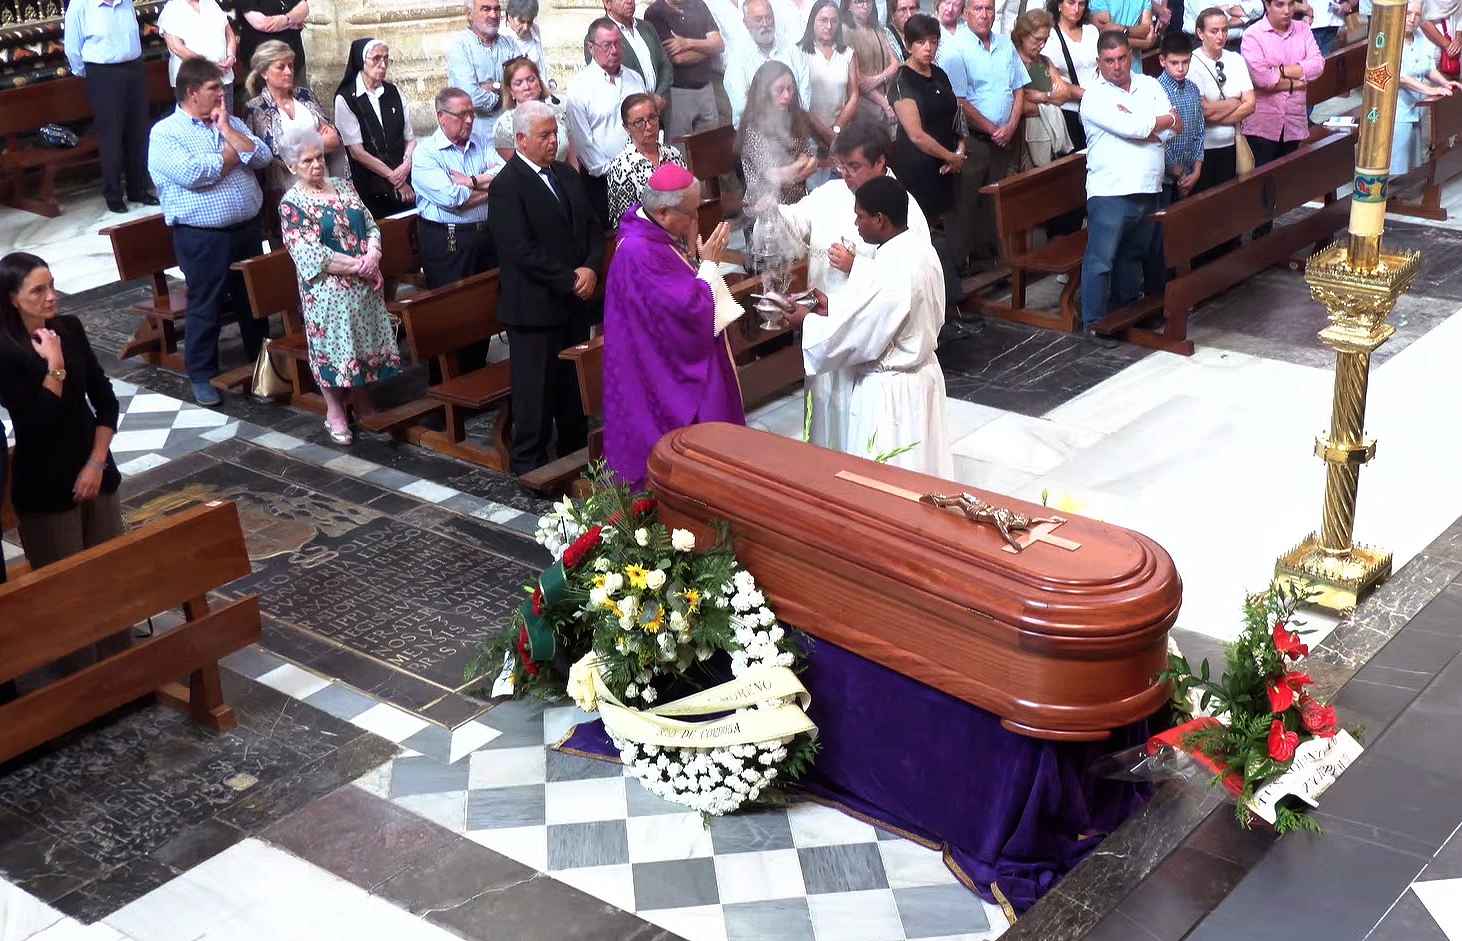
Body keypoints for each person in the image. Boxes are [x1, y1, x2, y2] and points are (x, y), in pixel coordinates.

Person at [0, 253, 130, 670]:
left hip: (95, 470)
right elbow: (37, 421)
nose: (51, 296)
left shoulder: (69, 328)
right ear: (12, 299)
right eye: (38, 290)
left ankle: (126, 672)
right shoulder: (5, 351)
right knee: (68, 593)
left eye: (52, 285)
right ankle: (81, 687)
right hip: (46, 482)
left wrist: (96, 463)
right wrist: (53, 366)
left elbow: (105, 400)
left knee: (112, 579)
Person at [774, 121, 930, 453]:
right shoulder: (831, 193)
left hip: (867, 353)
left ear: (880, 163)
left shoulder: (906, 212)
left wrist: (855, 266)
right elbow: (795, 222)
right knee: (828, 437)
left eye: (855, 167)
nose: (846, 175)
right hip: (833, 340)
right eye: (842, 166)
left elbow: (905, 287)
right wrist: (770, 213)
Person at [782, 177, 952, 475]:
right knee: (924, 469)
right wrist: (832, 308)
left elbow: (858, 336)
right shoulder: (921, 251)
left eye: (860, 216)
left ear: (880, 220)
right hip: (922, 378)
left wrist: (806, 321)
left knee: (890, 483)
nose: (856, 223)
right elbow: (887, 316)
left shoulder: (891, 267)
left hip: (892, 396)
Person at [603, 165, 743, 488]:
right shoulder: (639, 251)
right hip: (657, 373)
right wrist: (708, 264)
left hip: (659, 356)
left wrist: (699, 261)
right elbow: (688, 312)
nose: (695, 220)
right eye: (691, 213)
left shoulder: (654, 235)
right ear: (664, 212)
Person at [488, 100, 604, 474]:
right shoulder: (507, 186)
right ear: (521, 140)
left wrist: (590, 267)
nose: (554, 141)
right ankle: (529, 463)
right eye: (545, 135)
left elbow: (591, 227)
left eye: (555, 133)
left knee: (572, 384)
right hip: (534, 307)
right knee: (534, 391)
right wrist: (569, 279)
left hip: (572, 302)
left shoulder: (566, 176)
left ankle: (573, 453)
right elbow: (520, 249)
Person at [148, 58, 273, 406]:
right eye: (214, 88)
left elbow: (261, 155)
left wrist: (229, 135)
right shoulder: (165, 134)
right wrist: (233, 156)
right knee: (207, 304)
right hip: (202, 236)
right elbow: (194, 174)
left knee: (254, 301)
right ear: (192, 92)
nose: (222, 94)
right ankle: (201, 374)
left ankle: (263, 365)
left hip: (245, 229)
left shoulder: (228, 121)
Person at [276, 128, 403, 445]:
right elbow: (309, 253)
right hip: (328, 292)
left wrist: (373, 254)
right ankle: (334, 409)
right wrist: (357, 266)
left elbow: (370, 223)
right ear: (292, 167)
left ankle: (362, 399)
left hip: (363, 283)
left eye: (319, 157)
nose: (317, 165)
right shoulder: (292, 204)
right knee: (336, 351)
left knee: (363, 345)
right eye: (307, 161)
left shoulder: (344, 186)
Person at [1078, 31, 1174, 332]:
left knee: (1133, 255)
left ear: (1131, 55)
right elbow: (1135, 127)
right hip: (1110, 191)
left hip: (1149, 185)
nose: (1117, 66)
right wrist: (1153, 122)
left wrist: (1150, 124)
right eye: (1109, 61)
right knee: (1101, 261)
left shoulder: (1149, 83)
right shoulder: (1094, 96)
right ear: (1099, 62)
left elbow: (1173, 127)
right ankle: (1093, 322)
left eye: (1122, 58)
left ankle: (1128, 313)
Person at [946, 0, 1028, 272]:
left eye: (989, 9)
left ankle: (994, 261)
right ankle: (963, 267)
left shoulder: (1005, 44)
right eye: (978, 9)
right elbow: (960, 100)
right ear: (966, 13)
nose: (984, 14)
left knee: (996, 205)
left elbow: (1018, 89)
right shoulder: (956, 48)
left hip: (1006, 137)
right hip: (975, 139)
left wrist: (1012, 124)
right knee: (968, 203)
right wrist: (992, 129)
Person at [889, 13, 966, 303]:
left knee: (948, 231)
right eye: (921, 42)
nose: (928, 48)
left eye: (933, 42)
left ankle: (952, 298)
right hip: (919, 167)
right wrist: (951, 156)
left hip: (948, 165)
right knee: (926, 235)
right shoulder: (901, 80)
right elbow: (916, 134)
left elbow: (957, 112)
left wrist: (961, 149)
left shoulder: (940, 74)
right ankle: (935, 302)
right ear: (909, 45)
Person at [243, 40, 346, 243]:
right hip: (286, 189)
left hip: (323, 181)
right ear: (264, 72)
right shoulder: (256, 108)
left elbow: (335, 138)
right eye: (281, 67)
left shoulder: (305, 96)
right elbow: (274, 153)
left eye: (290, 65)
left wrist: (299, 147)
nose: (289, 72)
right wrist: (317, 141)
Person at [63, 0, 155, 213]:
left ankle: (138, 189)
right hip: (103, 73)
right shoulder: (80, 5)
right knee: (111, 136)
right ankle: (114, 195)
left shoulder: (126, 3)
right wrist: (88, 73)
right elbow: (72, 47)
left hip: (134, 69)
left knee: (138, 131)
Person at [411, 87, 502, 291]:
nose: (470, 120)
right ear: (441, 117)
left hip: (488, 236)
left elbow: (507, 174)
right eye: (462, 115)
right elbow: (453, 200)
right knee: (457, 307)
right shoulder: (426, 154)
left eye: (472, 113)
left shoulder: (481, 141)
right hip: (449, 243)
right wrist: (492, 187)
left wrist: (472, 181)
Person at [567, 17, 652, 225]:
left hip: (642, 173)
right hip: (604, 180)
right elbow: (582, 141)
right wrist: (615, 170)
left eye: (617, 43)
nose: (614, 50)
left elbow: (647, 122)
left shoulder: (635, 79)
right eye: (607, 45)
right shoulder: (580, 88)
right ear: (591, 47)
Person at [334, 38, 418, 219]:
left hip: (403, 175)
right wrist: (394, 177)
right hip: (371, 183)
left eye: (386, 58)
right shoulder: (346, 98)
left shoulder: (393, 92)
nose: (382, 65)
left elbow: (410, 139)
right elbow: (357, 152)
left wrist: (406, 164)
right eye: (376, 59)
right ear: (361, 61)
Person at [1240, 0, 1323, 169]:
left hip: (1294, 120)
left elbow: (1318, 65)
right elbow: (1263, 80)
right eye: (1280, 4)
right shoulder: (1253, 35)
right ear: (1267, 5)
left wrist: (1281, 70)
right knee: (1261, 185)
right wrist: (1296, 83)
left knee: (1290, 182)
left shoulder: (1303, 29)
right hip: (1262, 124)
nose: (1287, 10)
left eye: (1291, 4)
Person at [1188, 6, 1256, 194]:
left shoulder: (1235, 59)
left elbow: (1250, 104)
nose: (1221, 36)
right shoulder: (1192, 64)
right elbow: (1203, 112)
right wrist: (1235, 103)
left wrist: (1217, 111)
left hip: (1233, 144)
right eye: (1214, 31)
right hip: (1203, 151)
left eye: (1224, 30)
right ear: (1200, 33)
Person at [738, 60, 821, 210]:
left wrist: (792, 174)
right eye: (780, 90)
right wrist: (800, 165)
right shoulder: (753, 128)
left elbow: (812, 162)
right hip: (765, 209)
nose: (787, 95)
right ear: (764, 92)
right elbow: (774, 177)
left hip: (797, 205)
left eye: (790, 89)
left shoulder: (795, 118)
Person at [646, 0, 727, 141]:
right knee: (680, 147)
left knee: (710, 144)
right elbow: (678, 58)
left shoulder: (698, 4)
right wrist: (708, 49)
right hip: (678, 93)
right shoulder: (655, 12)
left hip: (706, 89)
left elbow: (719, 44)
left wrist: (686, 43)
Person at [725, 0, 813, 127]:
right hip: (756, 134)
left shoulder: (792, 51)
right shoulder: (737, 59)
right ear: (746, 23)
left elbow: (804, 96)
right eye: (758, 19)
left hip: (793, 129)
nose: (765, 24)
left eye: (769, 17)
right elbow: (741, 107)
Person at [1396, 0, 1460, 173]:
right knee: (1398, 166)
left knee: (1416, 165)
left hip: (1415, 107)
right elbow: (1399, 76)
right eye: (1408, 13)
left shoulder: (1418, 36)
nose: (1412, 19)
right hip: (1396, 110)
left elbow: (1429, 66)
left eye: (1417, 15)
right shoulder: (1390, 39)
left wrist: (1445, 82)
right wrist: (1431, 90)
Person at [607, 93, 691, 225]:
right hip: (647, 241)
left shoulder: (673, 153)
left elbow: (689, 197)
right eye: (639, 122)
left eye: (652, 117)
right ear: (627, 128)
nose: (649, 126)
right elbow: (625, 223)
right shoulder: (621, 167)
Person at [1013, 9, 1075, 170]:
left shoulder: (1045, 61)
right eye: (1038, 39)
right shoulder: (1012, 62)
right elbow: (1019, 107)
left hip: (1051, 138)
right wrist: (1050, 103)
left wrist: (1042, 97)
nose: (1042, 45)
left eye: (1045, 40)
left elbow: (1064, 94)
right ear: (1023, 35)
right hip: (1022, 139)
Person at [802, 0, 862, 159]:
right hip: (809, 135)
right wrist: (823, 133)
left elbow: (854, 95)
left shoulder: (847, 53)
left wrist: (836, 129)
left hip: (840, 133)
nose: (829, 26)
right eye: (823, 20)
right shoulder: (799, 53)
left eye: (834, 21)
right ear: (812, 20)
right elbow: (799, 101)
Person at [594, 0, 676, 110]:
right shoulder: (598, 36)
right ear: (607, 3)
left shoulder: (647, 27)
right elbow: (606, 80)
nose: (629, 1)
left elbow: (665, 64)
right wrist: (644, 102)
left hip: (659, 108)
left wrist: (659, 96)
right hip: (628, 115)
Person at [448, 0, 522, 120]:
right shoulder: (460, 46)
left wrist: (494, 86)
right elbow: (470, 97)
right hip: (476, 134)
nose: (493, 15)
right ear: (469, 14)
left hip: (510, 129)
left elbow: (524, 88)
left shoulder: (510, 44)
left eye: (497, 9)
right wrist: (505, 95)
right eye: (486, 9)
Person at [494, 57, 575, 163]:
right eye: (519, 83)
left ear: (539, 83)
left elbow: (572, 156)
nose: (526, 87)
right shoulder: (504, 125)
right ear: (511, 91)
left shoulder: (559, 112)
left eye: (531, 80)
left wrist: (575, 178)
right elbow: (515, 168)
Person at [1043, 0, 1098, 150]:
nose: (1076, 9)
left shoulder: (1091, 31)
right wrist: (1086, 95)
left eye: (1081, 4)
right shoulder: (1050, 36)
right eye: (1071, 3)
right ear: (1059, 5)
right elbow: (1052, 79)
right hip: (1070, 110)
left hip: (1097, 107)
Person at [158, 0, 238, 104]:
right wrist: (208, 66)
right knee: (198, 120)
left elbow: (229, 35)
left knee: (225, 118)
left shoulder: (211, 3)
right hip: (194, 83)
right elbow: (176, 47)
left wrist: (231, 56)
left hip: (223, 78)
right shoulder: (172, 8)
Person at [1157, 30, 1204, 203]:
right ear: (1163, 61)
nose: (1180, 68)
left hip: (1191, 173)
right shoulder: (1155, 89)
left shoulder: (1193, 89)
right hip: (1163, 179)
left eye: (1185, 62)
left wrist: (1196, 169)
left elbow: (1199, 130)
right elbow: (1157, 136)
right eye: (1174, 62)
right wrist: (1178, 171)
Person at [844, 0, 901, 126]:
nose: (865, 5)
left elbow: (895, 64)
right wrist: (884, 104)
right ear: (848, 5)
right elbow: (858, 81)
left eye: (868, 1)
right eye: (859, 2)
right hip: (865, 107)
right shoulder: (845, 32)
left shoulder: (878, 29)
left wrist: (879, 78)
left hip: (890, 100)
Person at [235, 0, 308, 91]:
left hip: (295, 60)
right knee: (265, 102)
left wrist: (283, 21)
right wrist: (290, 20)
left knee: (300, 101)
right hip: (263, 65)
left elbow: (303, 8)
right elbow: (264, 24)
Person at [505, 0, 550, 80]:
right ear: (510, 18)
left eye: (529, 22)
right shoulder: (502, 38)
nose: (526, 27)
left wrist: (549, 81)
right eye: (521, 21)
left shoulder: (534, 30)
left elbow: (541, 63)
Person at [1088, 0, 1154, 50]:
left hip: (1135, 66)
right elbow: (1108, 39)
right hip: (1110, 64)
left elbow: (1147, 30)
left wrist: (1123, 29)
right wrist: (1144, 43)